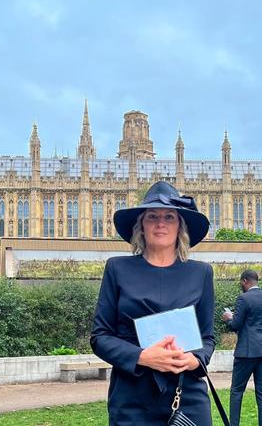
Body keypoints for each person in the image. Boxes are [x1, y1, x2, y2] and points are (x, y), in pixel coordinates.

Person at [91, 181, 215, 426]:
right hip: (132, 397)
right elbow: (100, 336)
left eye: (169, 216)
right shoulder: (117, 268)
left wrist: (194, 360)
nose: (161, 223)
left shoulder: (201, 273)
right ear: (141, 225)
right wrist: (142, 356)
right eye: (153, 216)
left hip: (186, 394)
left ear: (180, 226)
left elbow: (207, 338)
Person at [222, 269, 262, 426]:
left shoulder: (243, 299)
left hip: (247, 352)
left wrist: (228, 318)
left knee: (237, 391)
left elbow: (236, 325)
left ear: (245, 281)